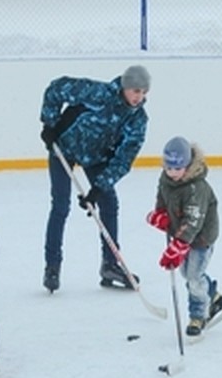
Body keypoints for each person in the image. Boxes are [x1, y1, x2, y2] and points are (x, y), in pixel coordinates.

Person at [39, 65, 150, 292]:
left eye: (143, 92)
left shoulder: (137, 119)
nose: (139, 97)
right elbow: (56, 88)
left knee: (109, 202)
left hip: (96, 156)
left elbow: (124, 158)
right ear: (125, 87)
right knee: (60, 205)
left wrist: (99, 187)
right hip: (64, 148)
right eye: (135, 91)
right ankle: (52, 266)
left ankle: (110, 264)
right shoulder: (97, 93)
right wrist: (49, 124)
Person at [147, 136, 222, 337]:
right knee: (188, 273)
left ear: (188, 165)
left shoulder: (196, 188)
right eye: (169, 168)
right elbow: (162, 198)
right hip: (181, 233)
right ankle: (215, 298)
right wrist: (160, 214)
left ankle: (198, 316)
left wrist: (178, 246)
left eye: (178, 168)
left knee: (193, 277)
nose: (172, 173)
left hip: (201, 237)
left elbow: (193, 222)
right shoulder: (166, 179)